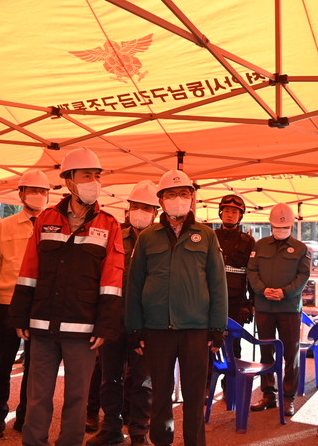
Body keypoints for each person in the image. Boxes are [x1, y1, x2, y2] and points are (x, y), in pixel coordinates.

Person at [9, 147, 124, 446]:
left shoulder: (109, 224)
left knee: (77, 397)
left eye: (97, 176)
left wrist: (105, 326)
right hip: (42, 324)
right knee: (37, 396)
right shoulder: (46, 218)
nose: (94, 182)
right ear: (69, 180)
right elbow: (29, 269)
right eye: (87, 175)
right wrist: (20, 315)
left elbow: (112, 280)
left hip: (83, 328)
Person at [125, 169, 227, 446]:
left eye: (183, 193)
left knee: (194, 395)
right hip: (157, 327)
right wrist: (134, 328)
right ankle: (162, 440)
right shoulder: (148, 237)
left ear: (192, 198)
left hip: (196, 328)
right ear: (161, 201)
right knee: (160, 392)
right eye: (171, 195)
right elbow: (135, 284)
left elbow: (218, 284)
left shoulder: (206, 235)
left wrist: (217, 328)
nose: (178, 199)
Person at [88, 180, 158, 446]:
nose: (140, 212)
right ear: (128, 209)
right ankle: (111, 427)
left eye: (146, 208)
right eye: (136, 206)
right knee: (110, 378)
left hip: (147, 323)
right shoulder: (114, 235)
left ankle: (139, 431)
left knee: (143, 381)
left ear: (156, 212)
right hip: (114, 319)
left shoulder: (161, 240)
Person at [0, 169, 51, 438]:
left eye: (43, 191)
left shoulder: (53, 225)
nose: (38, 195)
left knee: (36, 366)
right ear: (21, 194)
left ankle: (24, 416)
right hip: (8, 302)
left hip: (41, 305)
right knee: (1, 362)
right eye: (33, 190)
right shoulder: (5, 226)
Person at [247, 203, 310, 417]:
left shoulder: (301, 248)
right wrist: (263, 290)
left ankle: (288, 397)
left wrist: (285, 292)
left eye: (284, 227)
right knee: (266, 351)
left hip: (289, 308)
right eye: (277, 227)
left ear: (291, 225)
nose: (280, 230)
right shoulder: (260, 246)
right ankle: (268, 395)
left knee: (291, 353)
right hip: (264, 307)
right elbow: (252, 271)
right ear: (270, 225)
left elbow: (303, 276)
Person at [215, 194, 256, 358]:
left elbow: (252, 272)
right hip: (211, 299)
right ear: (221, 213)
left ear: (240, 216)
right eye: (226, 211)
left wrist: (251, 303)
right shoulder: (211, 237)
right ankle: (209, 375)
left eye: (234, 212)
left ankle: (233, 375)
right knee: (208, 342)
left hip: (236, 301)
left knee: (233, 344)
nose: (230, 215)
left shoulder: (248, 241)